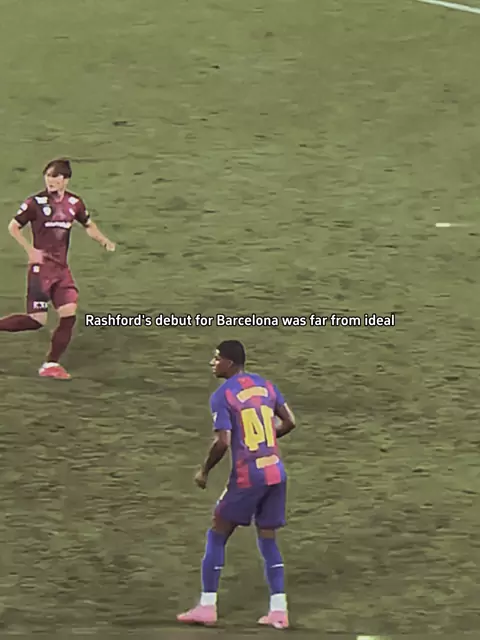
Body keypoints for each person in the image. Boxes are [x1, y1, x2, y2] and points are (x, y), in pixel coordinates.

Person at [177, 340, 296, 629]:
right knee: (267, 538)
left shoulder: (223, 395)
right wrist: (266, 440)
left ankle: (207, 606)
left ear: (229, 363)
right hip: (275, 471)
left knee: (218, 532)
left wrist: (204, 470)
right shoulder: (266, 386)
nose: (212, 362)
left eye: (217, 358)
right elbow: (290, 421)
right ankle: (279, 610)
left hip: (249, 475)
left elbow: (223, 442)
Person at [0, 158, 115, 379]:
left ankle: (51, 364)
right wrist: (30, 250)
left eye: (55, 177)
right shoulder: (35, 203)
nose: (50, 181)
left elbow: (88, 224)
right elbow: (13, 227)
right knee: (36, 320)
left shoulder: (74, 203)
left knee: (69, 312)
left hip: (61, 271)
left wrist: (104, 240)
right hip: (41, 270)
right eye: (48, 176)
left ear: (65, 179)